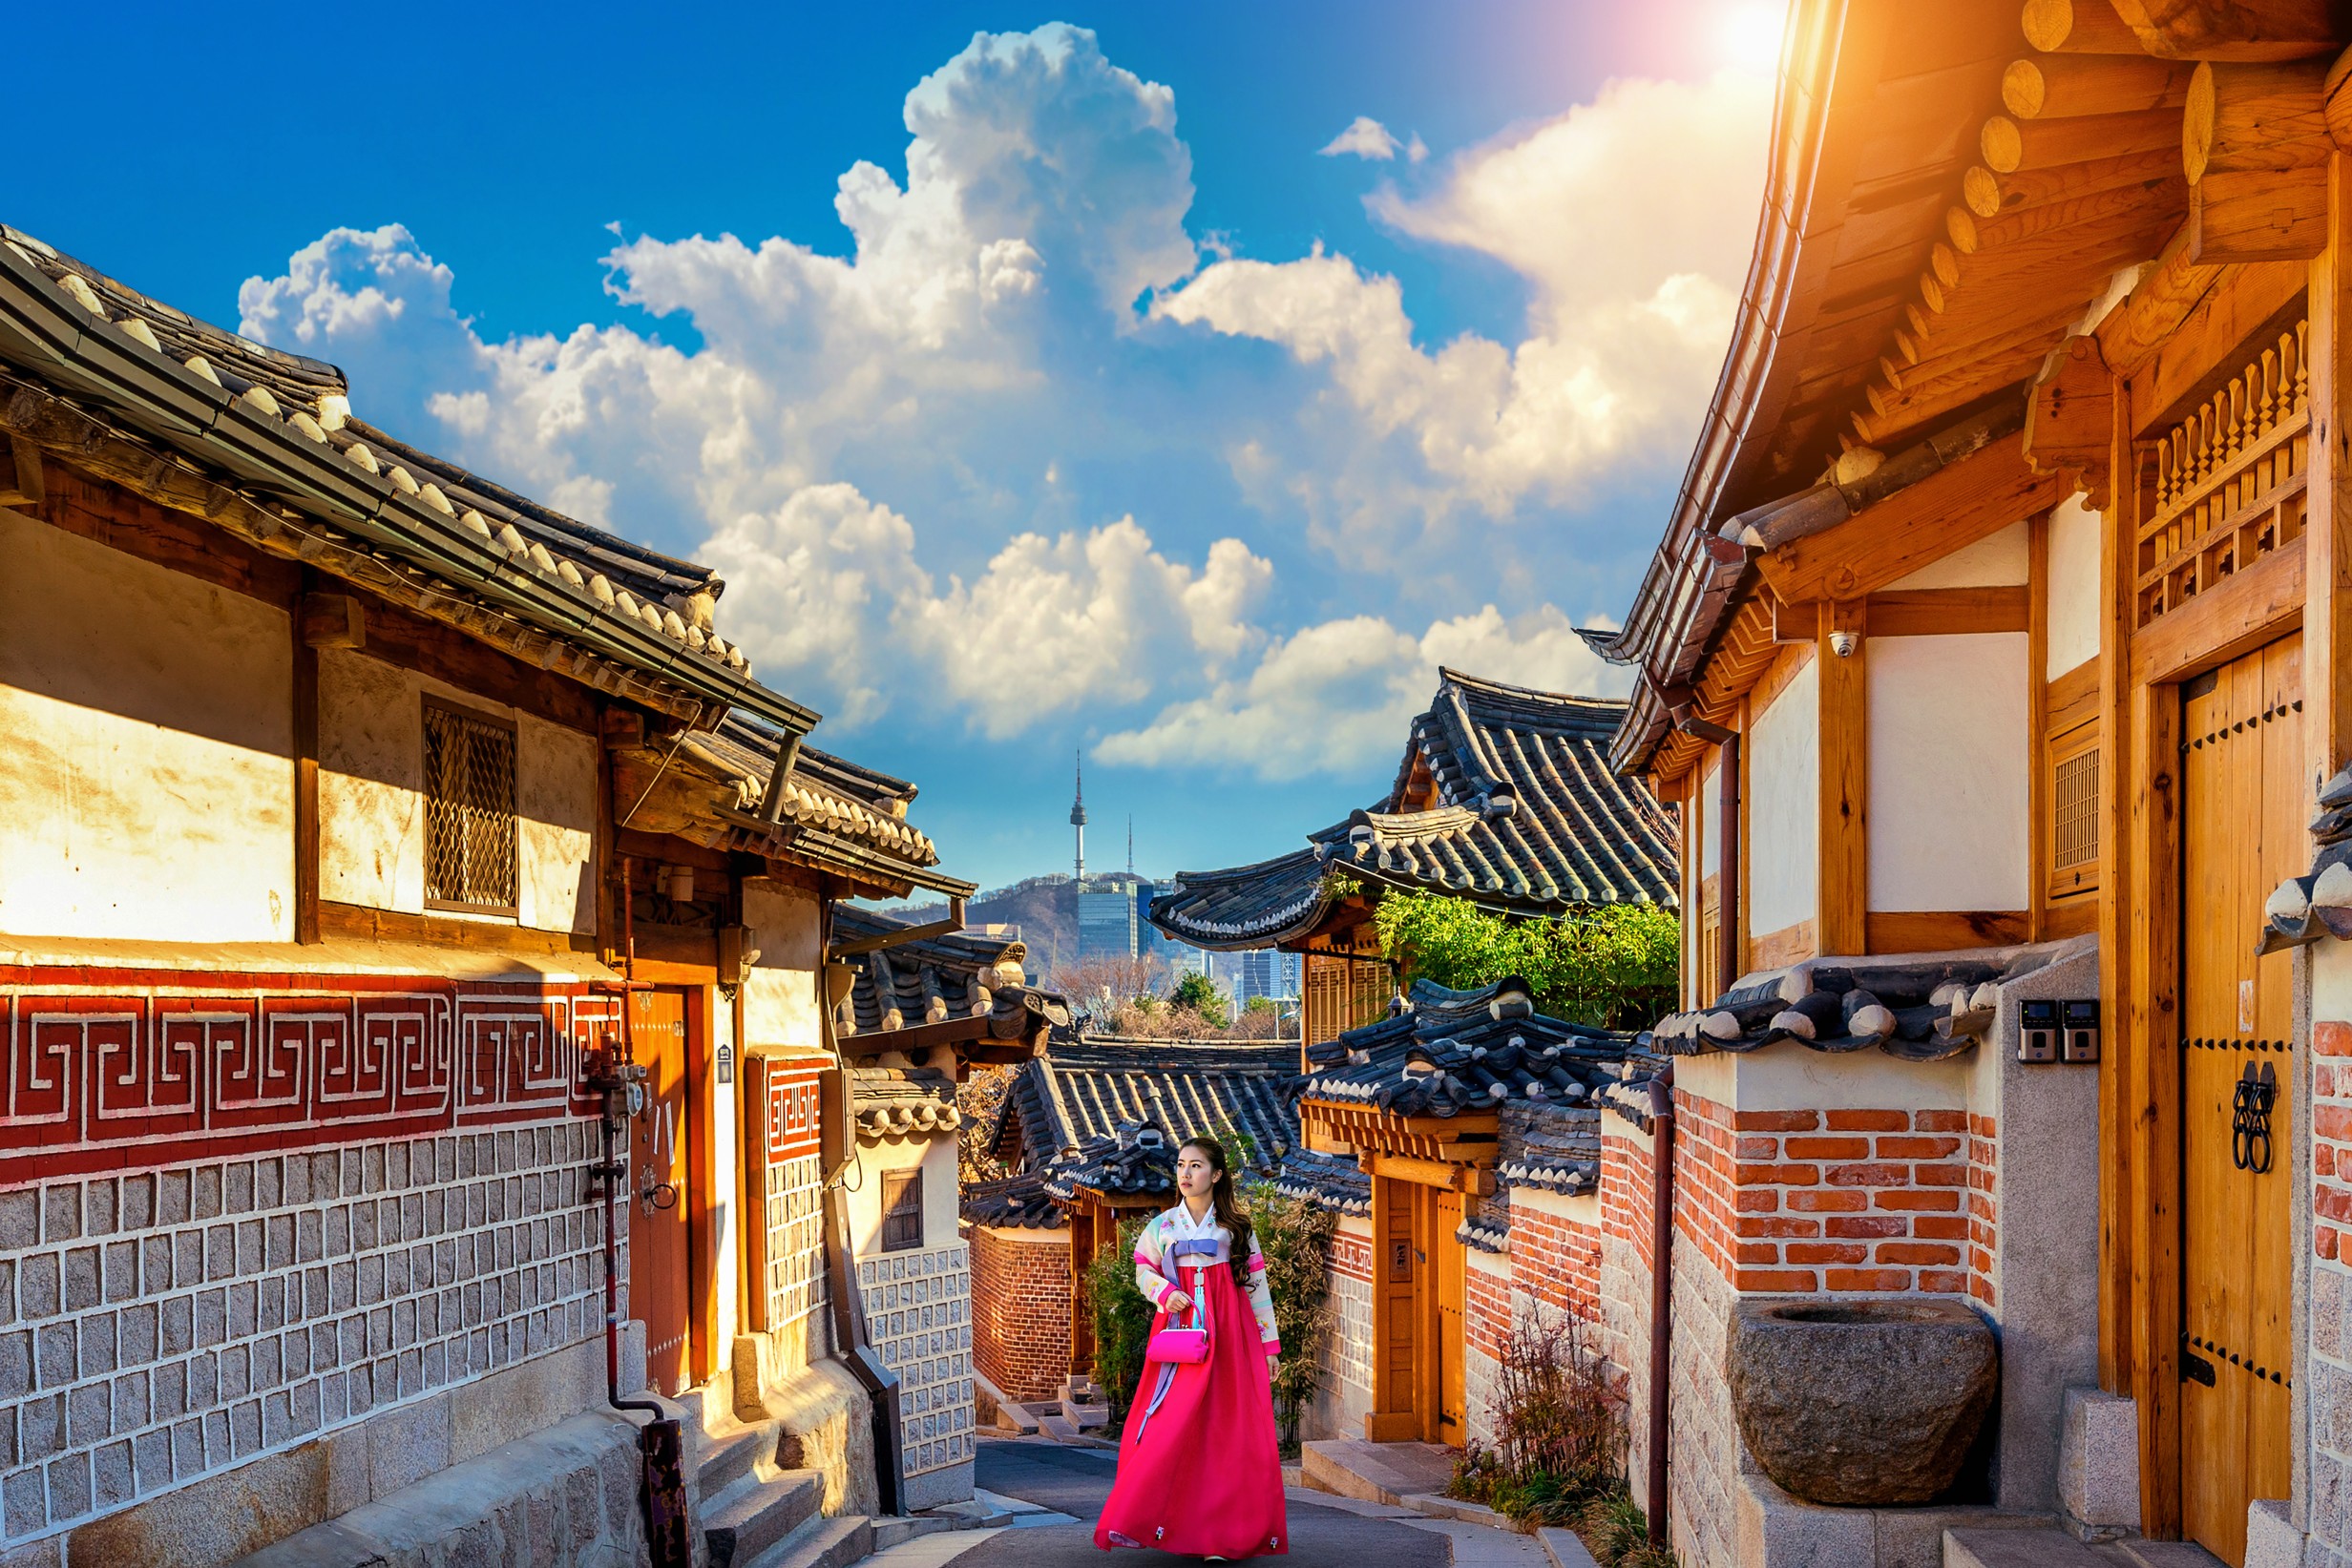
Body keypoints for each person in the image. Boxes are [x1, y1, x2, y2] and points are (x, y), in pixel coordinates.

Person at [1093, 1136, 1289, 1558]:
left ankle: (1220, 1535)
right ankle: (1146, 1518)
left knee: (1227, 1429)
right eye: (1181, 1164)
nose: (1185, 1173)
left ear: (1216, 1174)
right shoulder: (1162, 1227)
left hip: (1231, 1333)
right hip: (1181, 1336)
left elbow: (1256, 1287)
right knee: (1169, 1425)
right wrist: (1165, 1293)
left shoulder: (1237, 1228)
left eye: (1196, 1165)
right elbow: (1143, 1268)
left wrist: (1269, 1347)